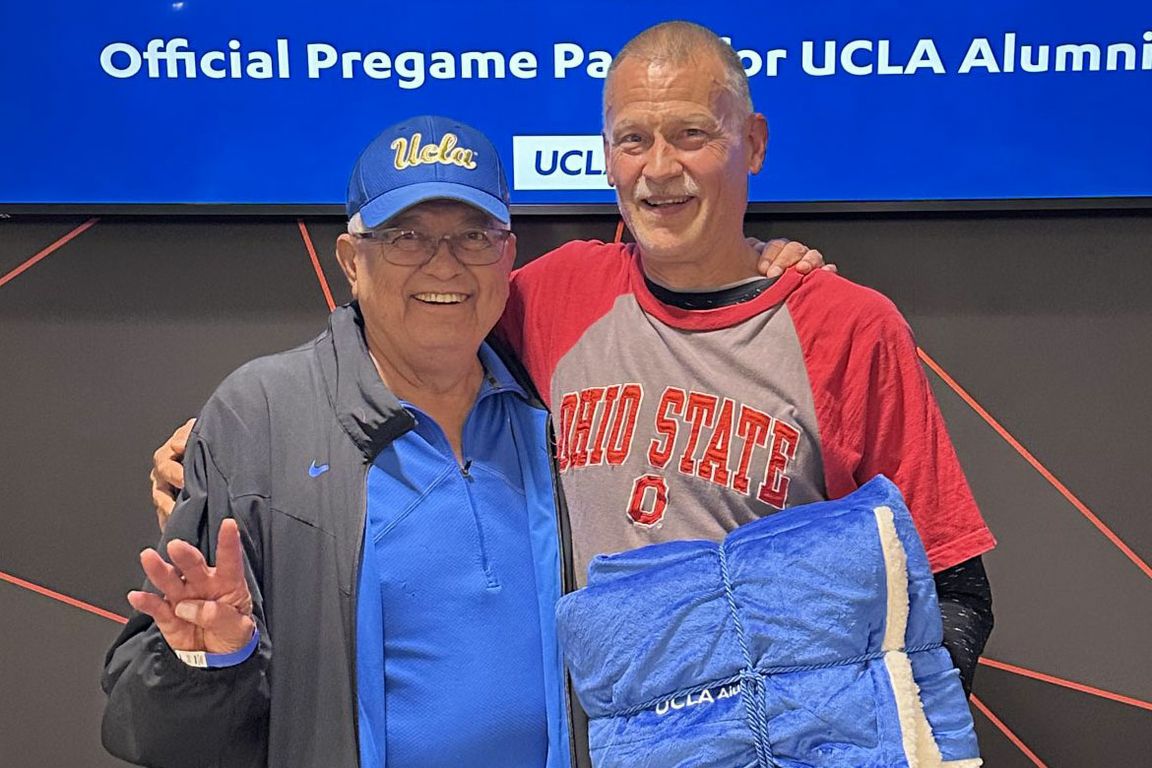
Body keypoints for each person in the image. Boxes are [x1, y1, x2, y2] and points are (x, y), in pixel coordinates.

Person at [106, 113, 823, 768]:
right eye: (408, 236)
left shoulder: (556, 399)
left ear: (508, 256)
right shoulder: (259, 415)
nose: (445, 264)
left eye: (474, 236)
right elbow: (146, 729)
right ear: (352, 259)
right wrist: (207, 664)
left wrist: (753, 259)